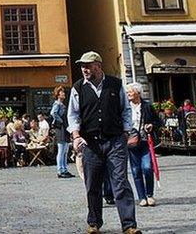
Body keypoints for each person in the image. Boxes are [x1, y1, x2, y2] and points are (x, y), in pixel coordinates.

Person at [67, 52, 140, 234]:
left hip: (115, 141)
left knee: (121, 183)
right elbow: (73, 115)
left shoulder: (115, 84)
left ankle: (129, 226)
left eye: (88, 65)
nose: (84, 69)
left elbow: (125, 110)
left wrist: (126, 131)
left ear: (98, 66)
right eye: (82, 65)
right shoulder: (78, 88)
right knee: (92, 185)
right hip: (90, 144)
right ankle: (94, 224)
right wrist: (76, 135)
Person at [126, 83, 162, 207]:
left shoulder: (147, 106)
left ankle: (149, 194)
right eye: (128, 92)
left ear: (138, 93)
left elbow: (158, 121)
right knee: (136, 171)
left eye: (131, 91)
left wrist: (151, 125)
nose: (128, 94)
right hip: (131, 143)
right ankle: (141, 197)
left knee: (147, 168)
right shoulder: (126, 107)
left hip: (145, 142)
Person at [51, 86, 73, 179]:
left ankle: (64, 169)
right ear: (58, 94)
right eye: (61, 92)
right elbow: (53, 113)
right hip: (60, 129)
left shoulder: (62, 104)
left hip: (64, 128)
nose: (63, 94)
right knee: (61, 150)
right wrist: (61, 121)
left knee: (65, 150)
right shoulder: (57, 104)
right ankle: (60, 170)